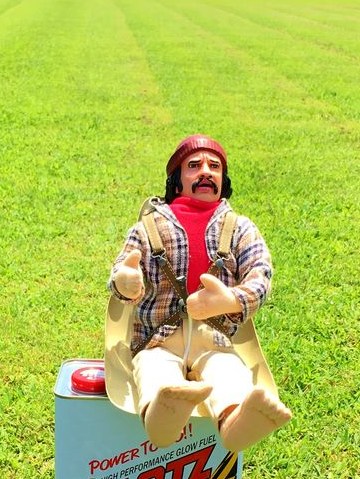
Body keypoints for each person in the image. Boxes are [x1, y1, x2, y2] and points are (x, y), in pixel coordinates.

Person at [105, 135, 291, 452]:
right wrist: (125, 281)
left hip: (215, 338)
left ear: (223, 179)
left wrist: (232, 300)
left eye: (214, 166)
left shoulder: (240, 228)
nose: (206, 172)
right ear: (176, 181)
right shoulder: (148, 228)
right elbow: (122, 266)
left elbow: (261, 272)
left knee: (228, 371)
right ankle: (162, 414)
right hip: (157, 338)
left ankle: (235, 422)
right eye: (194, 166)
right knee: (153, 368)